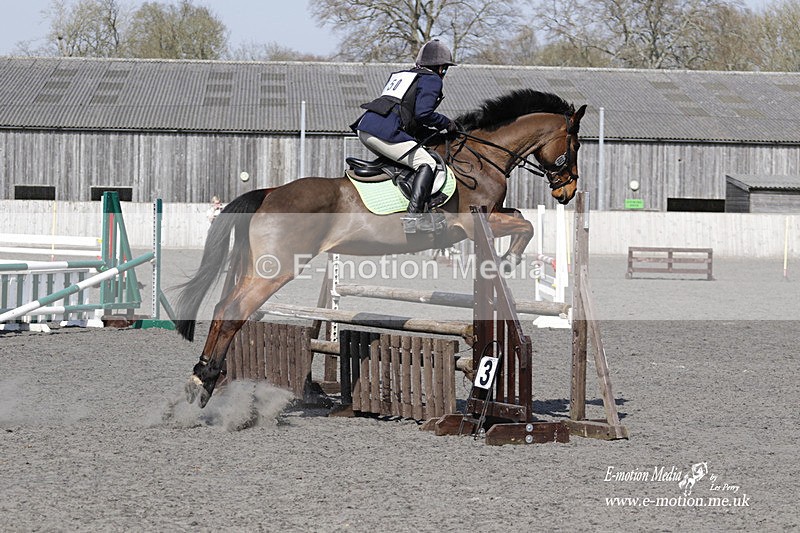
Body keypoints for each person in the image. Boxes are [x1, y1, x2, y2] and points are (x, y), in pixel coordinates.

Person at [352, 39, 459, 233]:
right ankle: (414, 217)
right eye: (445, 69)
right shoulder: (432, 79)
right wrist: (447, 123)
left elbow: (409, 116)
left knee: (410, 159)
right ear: (441, 68)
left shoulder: (405, 75)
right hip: (384, 131)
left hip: (367, 127)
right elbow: (423, 114)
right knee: (426, 163)